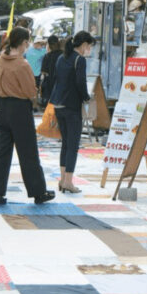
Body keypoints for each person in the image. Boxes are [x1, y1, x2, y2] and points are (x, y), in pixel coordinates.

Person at [0, 27, 55, 205]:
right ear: (23, 43)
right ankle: (38, 191)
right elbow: (30, 91)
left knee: (1, 152)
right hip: (19, 108)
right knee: (28, 152)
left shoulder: (1, 59)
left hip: (2, 108)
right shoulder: (22, 64)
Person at [49, 31, 94, 194]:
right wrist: (86, 97)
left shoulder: (62, 57)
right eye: (89, 46)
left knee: (65, 144)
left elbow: (56, 80)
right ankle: (68, 182)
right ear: (83, 45)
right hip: (72, 106)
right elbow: (80, 82)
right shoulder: (79, 60)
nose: (89, 49)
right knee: (73, 145)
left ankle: (63, 180)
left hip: (58, 104)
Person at [39, 35, 62, 107]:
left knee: (50, 107)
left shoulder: (47, 56)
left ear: (49, 45)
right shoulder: (64, 55)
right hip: (61, 84)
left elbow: (43, 72)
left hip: (50, 85)